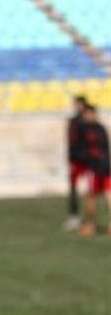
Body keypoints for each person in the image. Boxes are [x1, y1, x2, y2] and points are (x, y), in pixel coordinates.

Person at [77, 104, 110, 236]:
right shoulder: (101, 128)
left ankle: (91, 225)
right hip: (105, 165)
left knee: (92, 196)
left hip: (95, 167)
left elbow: (85, 150)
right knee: (106, 195)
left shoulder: (86, 129)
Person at [65, 95, 90, 231]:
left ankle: (90, 219)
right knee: (73, 189)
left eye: (79, 104)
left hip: (89, 161)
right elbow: (71, 141)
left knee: (91, 190)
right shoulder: (73, 121)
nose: (76, 106)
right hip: (76, 160)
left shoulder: (89, 120)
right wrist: (70, 157)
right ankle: (74, 216)